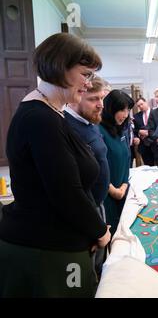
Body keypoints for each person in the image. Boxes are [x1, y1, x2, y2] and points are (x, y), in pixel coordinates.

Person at [0, 33, 110, 297]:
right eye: (85, 74)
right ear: (61, 68)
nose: (88, 84)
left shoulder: (50, 113)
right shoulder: (41, 119)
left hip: (54, 243)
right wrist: (99, 232)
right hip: (46, 249)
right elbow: (66, 192)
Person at [64, 76, 109, 279]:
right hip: (85, 211)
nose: (100, 105)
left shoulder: (90, 122)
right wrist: (92, 226)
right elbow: (71, 187)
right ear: (75, 97)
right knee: (87, 271)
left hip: (98, 205)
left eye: (101, 98)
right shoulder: (68, 128)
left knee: (99, 267)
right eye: (93, 99)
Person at [99, 90, 134, 236]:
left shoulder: (121, 130)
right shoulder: (98, 130)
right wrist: (113, 190)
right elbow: (97, 166)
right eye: (121, 109)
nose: (125, 114)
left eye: (127, 110)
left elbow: (127, 159)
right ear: (110, 108)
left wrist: (124, 185)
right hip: (107, 195)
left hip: (122, 192)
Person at [134, 97, 155, 166]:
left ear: (146, 102)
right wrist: (139, 132)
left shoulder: (155, 113)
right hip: (144, 147)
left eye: (141, 104)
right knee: (148, 168)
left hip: (155, 145)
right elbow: (134, 130)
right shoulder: (136, 116)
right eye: (138, 106)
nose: (140, 107)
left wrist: (149, 133)